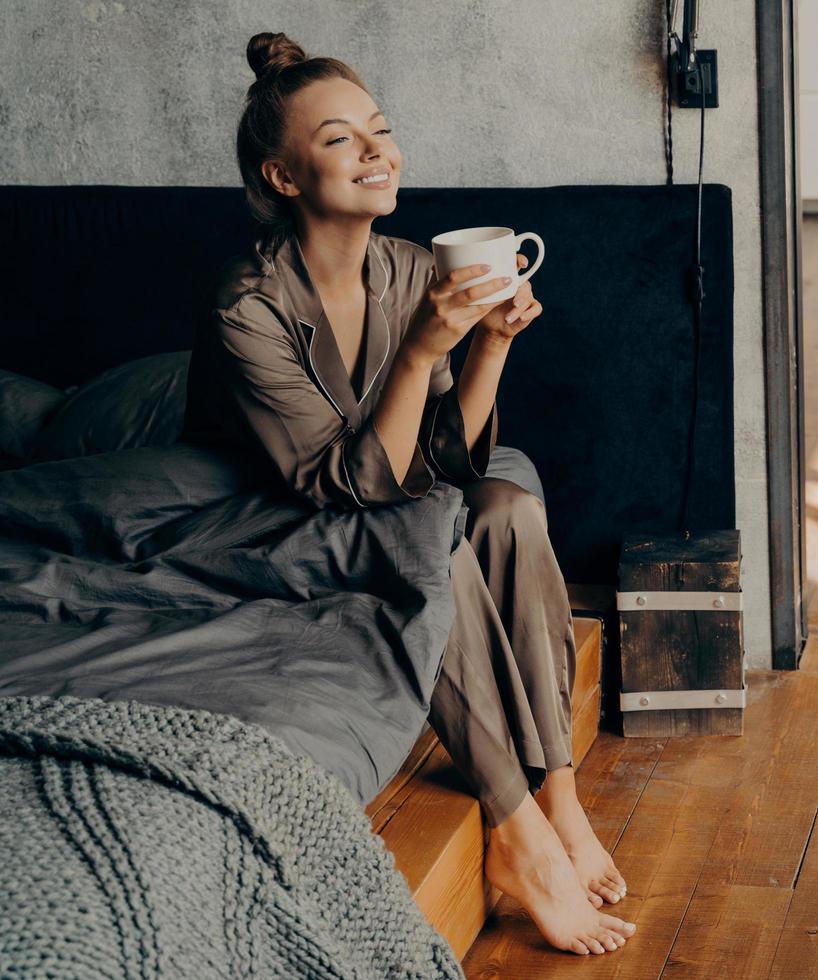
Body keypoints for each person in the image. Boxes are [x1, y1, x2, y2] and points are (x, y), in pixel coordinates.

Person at [182, 31, 634, 957]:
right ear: (282, 176)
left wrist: (490, 346)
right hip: (275, 513)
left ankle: (561, 797)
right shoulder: (248, 302)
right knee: (431, 539)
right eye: (343, 139)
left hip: (387, 493)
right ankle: (518, 839)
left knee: (505, 506)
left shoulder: (407, 270)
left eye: (381, 130)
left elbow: (445, 460)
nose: (378, 151)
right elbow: (344, 487)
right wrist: (428, 349)